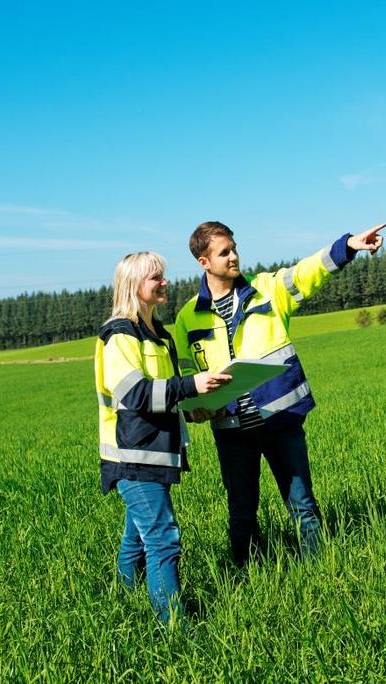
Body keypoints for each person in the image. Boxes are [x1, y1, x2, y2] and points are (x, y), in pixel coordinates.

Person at [173, 221, 385, 565]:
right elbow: (185, 372)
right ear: (203, 262)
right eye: (224, 252)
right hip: (231, 429)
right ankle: (246, 578)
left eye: (234, 248)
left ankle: (318, 572)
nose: (234, 256)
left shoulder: (267, 289)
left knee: (303, 505)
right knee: (242, 513)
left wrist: (347, 246)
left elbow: (307, 272)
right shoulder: (187, 317)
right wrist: (193, 407)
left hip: (279, 419)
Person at [94, 251, 231, 623]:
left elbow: (167, 394)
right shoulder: (119, 334)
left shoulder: (159, 335)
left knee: (138, 537)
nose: (164, 282)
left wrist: (197, 405)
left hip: (154, 452)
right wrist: (191, 383)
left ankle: (123, 604)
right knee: (163, 540)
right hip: (132, 455)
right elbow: (135, 394)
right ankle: (175, 626)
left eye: (163, 275)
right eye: (156, 277)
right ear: (134, 285)